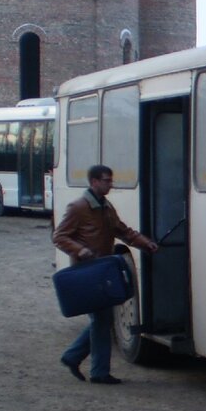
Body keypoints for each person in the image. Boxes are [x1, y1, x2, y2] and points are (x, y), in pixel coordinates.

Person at [52, 164, 158, 385]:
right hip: (89, 274)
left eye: (110, 180)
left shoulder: (105, 207)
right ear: (94, 182)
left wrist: (145, 243)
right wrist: (79, 250)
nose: (110, 184)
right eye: (106, 180)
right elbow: (59, 236)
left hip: (103, 273)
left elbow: (122, 231)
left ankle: (75, 357)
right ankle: (97, 371)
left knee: (102, 320)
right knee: (102, 320)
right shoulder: (78, 207)